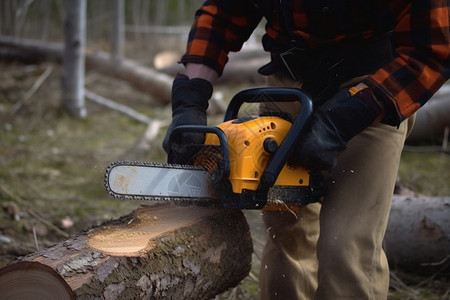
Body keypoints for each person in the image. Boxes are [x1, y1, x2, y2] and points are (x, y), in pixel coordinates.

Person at [163, 1, 450, 299]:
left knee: (346, 243)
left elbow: (432, 52)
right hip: (288, 85)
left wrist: (344, 120)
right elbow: (222, 16)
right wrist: (189, 101)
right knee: (289, 233)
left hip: (372, 93)